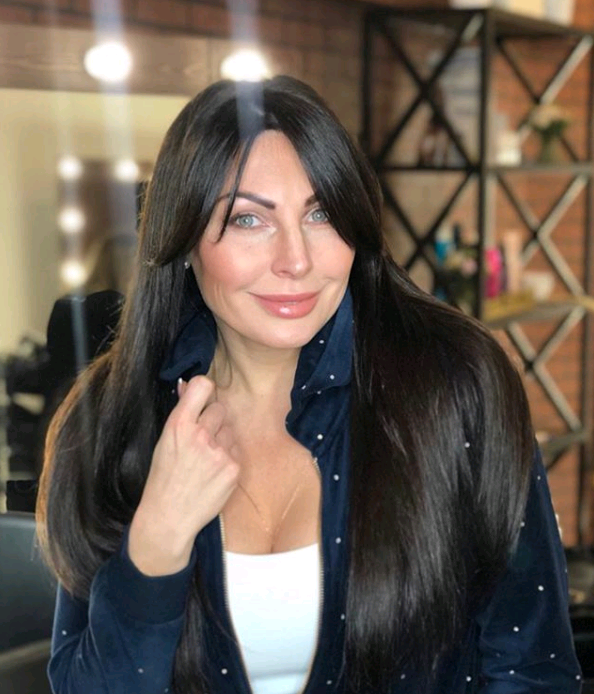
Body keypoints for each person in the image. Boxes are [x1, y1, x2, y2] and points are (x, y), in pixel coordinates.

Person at [36, 75, 580, 694]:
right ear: (183, 239)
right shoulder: (106, 421)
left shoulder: (458, 388)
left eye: (320, 213)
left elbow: (532, 669)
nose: (295, 260)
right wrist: (157, 539)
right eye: (248, 219)